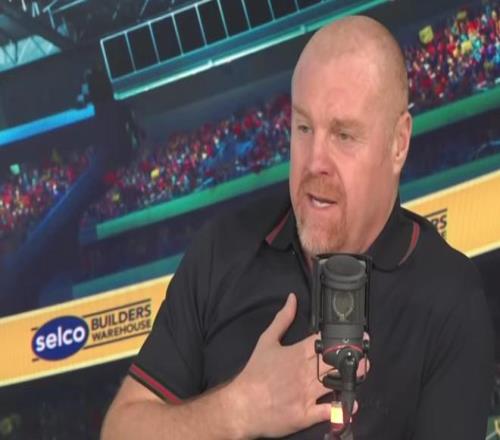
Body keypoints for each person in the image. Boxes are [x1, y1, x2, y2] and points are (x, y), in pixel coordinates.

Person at [101, 16, 494, 440]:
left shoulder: (450, 297)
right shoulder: (222, 250)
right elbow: (121, 430)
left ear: (398, 143)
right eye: (303, 128)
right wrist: (239, 409)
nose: (314, 161)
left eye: (344, 135)